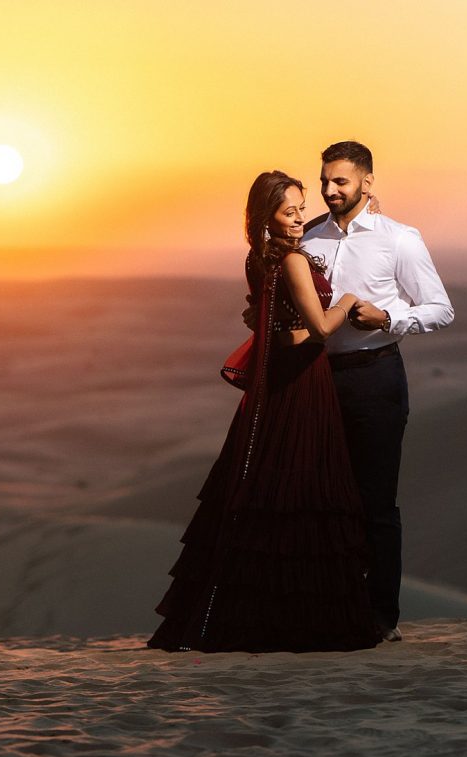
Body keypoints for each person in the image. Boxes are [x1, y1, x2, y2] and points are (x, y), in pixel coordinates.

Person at [147, 170, 380, 653]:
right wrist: (351, 300)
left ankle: (248, 617)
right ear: (267, 217)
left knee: (266, 488)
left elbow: (264, 312)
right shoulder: (292, 259)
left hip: (279, 378)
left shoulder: (259, 256)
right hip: (301, 378)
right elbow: (318, 327)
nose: (298, 220)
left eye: (300, 210)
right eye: (289, 212)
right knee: (303, 488)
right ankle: (296, 622)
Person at [297, 141, 454, 642]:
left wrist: (389, 317)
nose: (329, 190)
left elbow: (440, 308)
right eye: (324, 181)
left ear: (367, 182)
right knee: (321, 497)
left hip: (376, 377)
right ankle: (330, 610)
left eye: (340, 181)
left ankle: (381, 618)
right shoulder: (309, 239)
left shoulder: (400, 239)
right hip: (316, 379)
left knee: (375, 501)